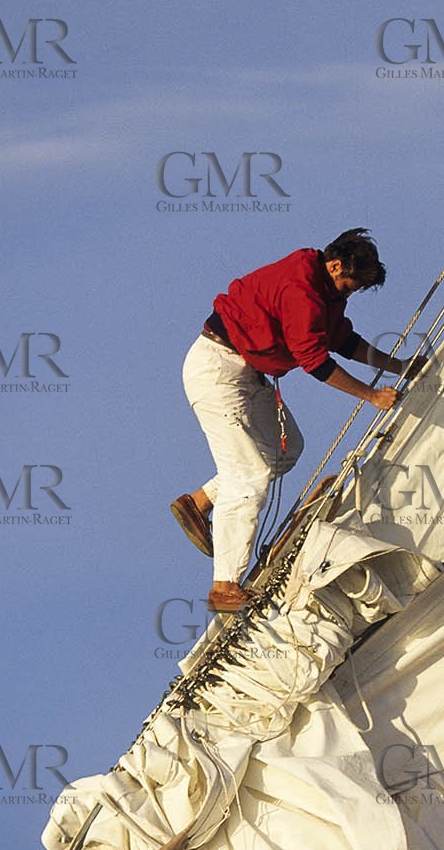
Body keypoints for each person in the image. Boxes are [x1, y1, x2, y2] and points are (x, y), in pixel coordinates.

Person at [173, 231, 424, 613]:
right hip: (217, 371)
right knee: (250, 475)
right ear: (335, 265)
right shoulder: (300, 289)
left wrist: (398, 366)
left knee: (285, 450)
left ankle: (199, 502)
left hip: (245, 373)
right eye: (350, 284)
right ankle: (224, 586)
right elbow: (314, 361)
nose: (351, 292)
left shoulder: (326, 293)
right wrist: (372, 396)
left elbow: (343, 341)